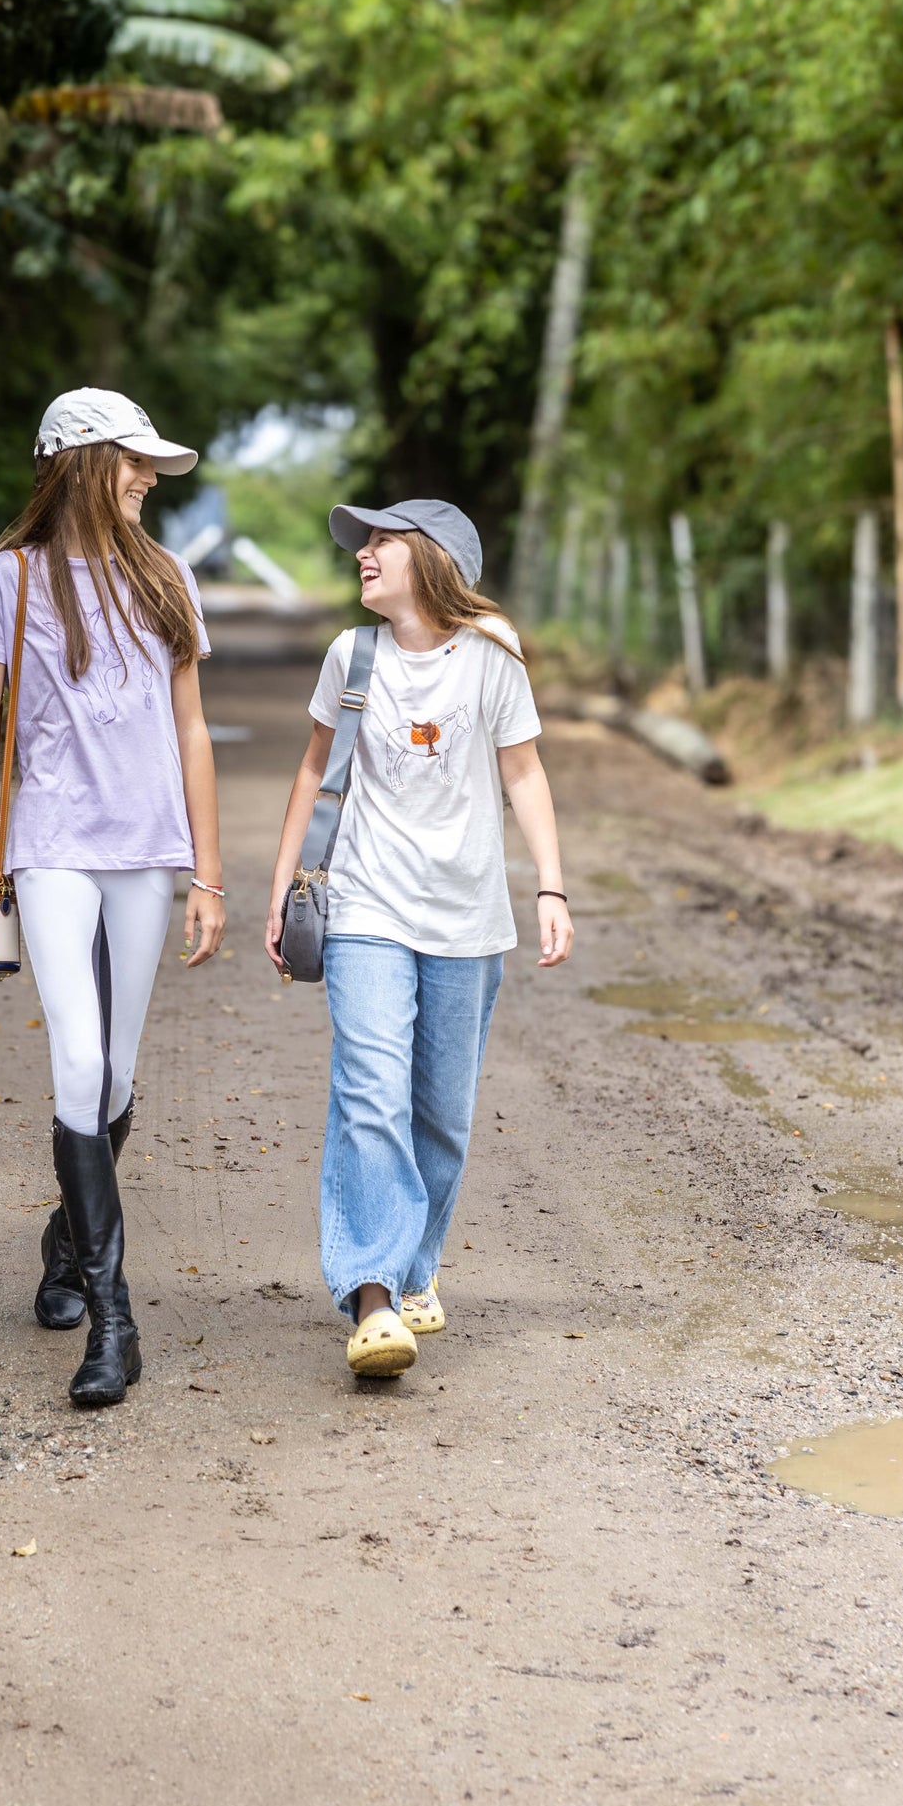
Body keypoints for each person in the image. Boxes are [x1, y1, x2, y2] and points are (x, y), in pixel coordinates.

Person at [0, 388, 226, 1408]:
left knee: (115, 1077)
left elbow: (191, 730)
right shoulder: (8, 577)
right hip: (50, 849)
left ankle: (67, 1240)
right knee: (78, 1054)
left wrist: (207, 870)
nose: (150, 476)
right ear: (79, 463)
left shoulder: (165, 577)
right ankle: (115, 1320)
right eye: (133, 460)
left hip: (149, 853)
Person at [265, 499, 573, 1379]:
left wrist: (550, 885)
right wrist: (288, 883)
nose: (361, 555)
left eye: (381, 543)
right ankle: (369, 1296)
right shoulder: (350, 656)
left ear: (431, 560)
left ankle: (410, 1270)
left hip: (467, 916)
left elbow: (525, 772)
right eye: (361, 543)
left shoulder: (490, 659)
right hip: (365, 904)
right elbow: (313, 770)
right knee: (370, 1089)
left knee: (441, 1110)